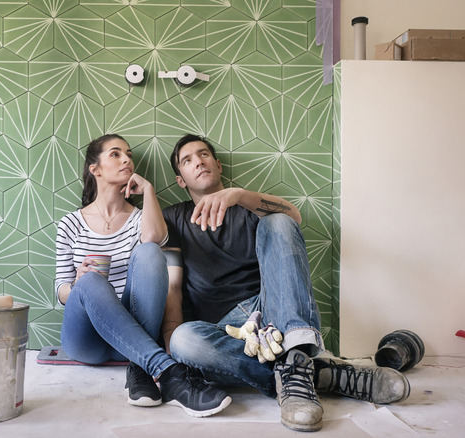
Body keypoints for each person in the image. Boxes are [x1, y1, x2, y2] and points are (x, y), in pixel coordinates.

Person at [160, 134, 411, 431]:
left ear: (218, 165)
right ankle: (316, 373)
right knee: (182, 340)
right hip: (226, 330)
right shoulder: (173, 218)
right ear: (180, 180)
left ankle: (295, 361)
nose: (198, 162)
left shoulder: (249, 207)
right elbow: (172, 288)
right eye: (187, 161)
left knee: (278, 220)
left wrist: (239, 195)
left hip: (272, 315)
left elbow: (294, 217)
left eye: (203, 155)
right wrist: (169, 355)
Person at [54, 134, 231, 417]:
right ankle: (168, 372)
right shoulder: (70, 224)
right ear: (95, 169)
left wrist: (147, 189)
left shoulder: (140, 217)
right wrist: (77, 284)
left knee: (149, 251)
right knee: (89, 281)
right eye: (115, 154)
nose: (126, 159)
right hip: (86, 340)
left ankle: (141, 367)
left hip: (133, 337)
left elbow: (153, 239)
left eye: (129, 154)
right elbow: (61, 290)